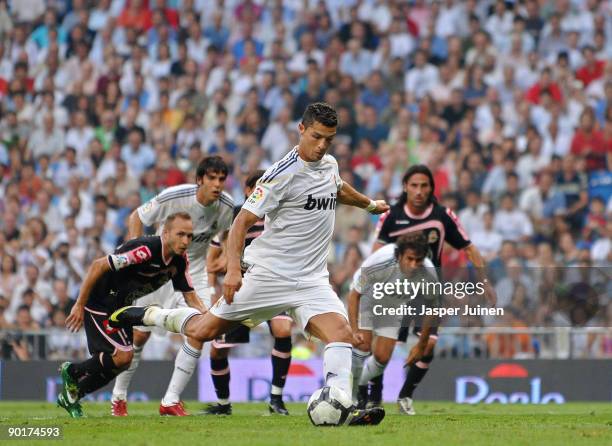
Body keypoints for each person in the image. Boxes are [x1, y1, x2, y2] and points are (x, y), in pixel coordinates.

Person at [110, 102, 390, 425]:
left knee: (340, 333)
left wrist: (369, 205)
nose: (322, 145)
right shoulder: (278, 176)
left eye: (329, 139)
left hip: (312, 280)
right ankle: (151, 314)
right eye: (316, 137)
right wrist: (231, 270)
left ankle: (342, 405)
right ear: (301, 130)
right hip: (268, 276)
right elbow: (241, 223)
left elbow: (337, 188)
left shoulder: (329, 165)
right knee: (202, 330)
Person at [352, 164, 496, 414]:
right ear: (405, 187)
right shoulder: (391, 215)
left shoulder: (442, 216)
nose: (419, 191)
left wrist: (484, 281)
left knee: (427, 346)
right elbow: (377, 251)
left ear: (431, 188)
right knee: (382, 351)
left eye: (424, 186)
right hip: (393, 292)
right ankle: (373, 396)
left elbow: (469, 248)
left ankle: (405, 396)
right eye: (414, 186)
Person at [110, 156, 234, 416]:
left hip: (194, 273)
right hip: (158, 270)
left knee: (200, 331)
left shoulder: (226, 207)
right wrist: (135, 254)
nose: (217, 184)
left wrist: (224, 255)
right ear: (199, 179)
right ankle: (118, 398)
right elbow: (137, 216)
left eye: (221, 179)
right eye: (211, 178)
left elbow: (230, 233)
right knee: (140, 336)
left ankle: (170, 400)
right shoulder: (174, 197)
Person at [59, 212, 196, 418]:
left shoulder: (179, 261)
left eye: (190, 236)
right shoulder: (145, 250)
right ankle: (72, 372)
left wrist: (211, 318)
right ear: (166, 233)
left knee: (122, 363)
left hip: (121, 305)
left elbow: (190, 296)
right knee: (123, 356)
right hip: (100, 300)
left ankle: (71, 396)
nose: (186, 241)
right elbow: (98, 265)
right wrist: (79, 304)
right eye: (181, 234)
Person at [203, 170, 293, 416]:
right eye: (257, 188)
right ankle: (223, 405)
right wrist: (213, 289)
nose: (262, 193)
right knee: (218, 349)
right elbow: (212, 263)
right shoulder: (234, 217)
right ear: (247, 191)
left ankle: (276, 400)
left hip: (273, 285)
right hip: (241, 288)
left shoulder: (280, 214)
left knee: (283, 330)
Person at [348, 233, 439, 414]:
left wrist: (421, 345)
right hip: (369, 298)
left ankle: (361, 384)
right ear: (399, 256)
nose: (414, 265)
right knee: (363, 346)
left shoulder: (428, 272)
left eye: (418, 260)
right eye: (409, 259)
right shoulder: (380, 262)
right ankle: (353, 398)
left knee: (382, 358)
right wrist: (354, 329)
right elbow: (354, 295)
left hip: (394, 305)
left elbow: (432, 310)